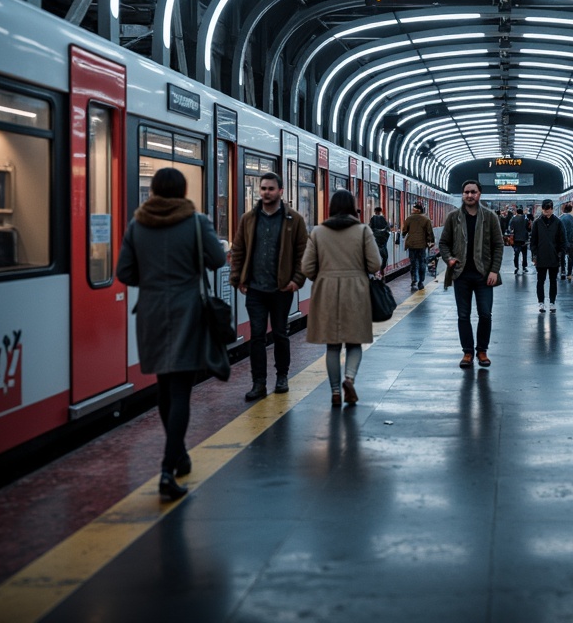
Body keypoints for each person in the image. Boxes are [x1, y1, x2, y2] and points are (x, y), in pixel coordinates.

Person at [116, 167, 227, 502]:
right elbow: (218, 258)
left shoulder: (137, 224)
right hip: (188, 311)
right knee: (180, 391)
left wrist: (152, 284)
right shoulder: (196, 222)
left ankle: (179, 457)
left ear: (153, 190)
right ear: (182, 190)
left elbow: (124, 272)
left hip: (151, 314)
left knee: (165, 388)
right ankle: (168, 467)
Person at [230, 172, 308, 401]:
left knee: (281, 334)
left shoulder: (294, 220)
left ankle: (282, 377)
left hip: (281, 289)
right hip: (255, 289)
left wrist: (297, 279)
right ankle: (259, 383)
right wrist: (238, 278)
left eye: (270, 188)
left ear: (280, 191)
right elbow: (239, 250)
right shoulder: (248, 219)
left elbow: (303, 253)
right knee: (256, 337)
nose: (266, 192)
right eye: (263, 188)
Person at [302, 188, 381, 407]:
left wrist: (325, 275)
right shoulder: (363, 231)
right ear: (352, 207)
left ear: (331, 207)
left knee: (333, 346)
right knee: (354, 343)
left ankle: (335, 391)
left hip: (326, 291)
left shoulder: (318, 232)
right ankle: (350, 379)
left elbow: (307, 268)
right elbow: (375, 264)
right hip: (355, 290)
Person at [440, 179, 504, 368]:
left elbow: (498, 245)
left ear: (479, 194)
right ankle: (467, 353)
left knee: (485, 314)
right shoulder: (453, 217)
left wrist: (494, 270)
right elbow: (443, 243)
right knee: (463, 315)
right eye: (466, 192)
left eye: (473, 192)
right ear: (462, 194)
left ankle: (482, 351)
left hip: (484, 275)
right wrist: (449, 259)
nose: (469, 195)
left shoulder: (490, 217)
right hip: (461, 275)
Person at [530, 198, 567, 312]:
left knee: (553, 281)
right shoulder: (537, 223)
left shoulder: (558, 222)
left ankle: (552, 302)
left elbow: (562, 240)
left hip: (553, 257)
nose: (547, 211)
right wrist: (534, 255)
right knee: (540, 281)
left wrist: (560, 254)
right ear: (542, 209)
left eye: (549, 209)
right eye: (545, 209)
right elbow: (533, 241)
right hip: (541, 257)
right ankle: (541, 302)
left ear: (552, 209)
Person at [402, 200, 435, 291]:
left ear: (419, 210)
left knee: (413, 263)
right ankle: (421, 282)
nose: (412, 210)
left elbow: (404, 231)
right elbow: (430, 232)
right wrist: (431, 241)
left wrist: (404, 234)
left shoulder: (409, 219)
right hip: (422, 245)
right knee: (422, 263)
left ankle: (414, 281)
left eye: (414, 209)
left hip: (411, 245)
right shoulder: (426, 219)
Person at [368, 205, 392, 278]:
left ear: (375, 212)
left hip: (375, 241)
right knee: (385, 257)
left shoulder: (372, 219)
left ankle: (375, 272)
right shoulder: (384, 219)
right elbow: (388, 229)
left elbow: (369, 229)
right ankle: (382, 269)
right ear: (380, 211)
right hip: (383, 242)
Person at [559, 202, 573, 280]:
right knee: (571, 257)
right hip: (570, 241)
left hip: (561, 242)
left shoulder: (560, 218)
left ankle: (563, 270)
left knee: (562, 257)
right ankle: (569, 273)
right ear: (571, 210)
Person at [508, 207, 531, 271]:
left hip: (516, 239)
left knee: (516, 253)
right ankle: (524, 266)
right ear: (522, 212)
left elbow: (511, 228)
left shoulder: (513, 219)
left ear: (517, 213)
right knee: (524, 254)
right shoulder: (525, 219)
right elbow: (528, 229)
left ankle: (516, 266)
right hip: (524, 239)